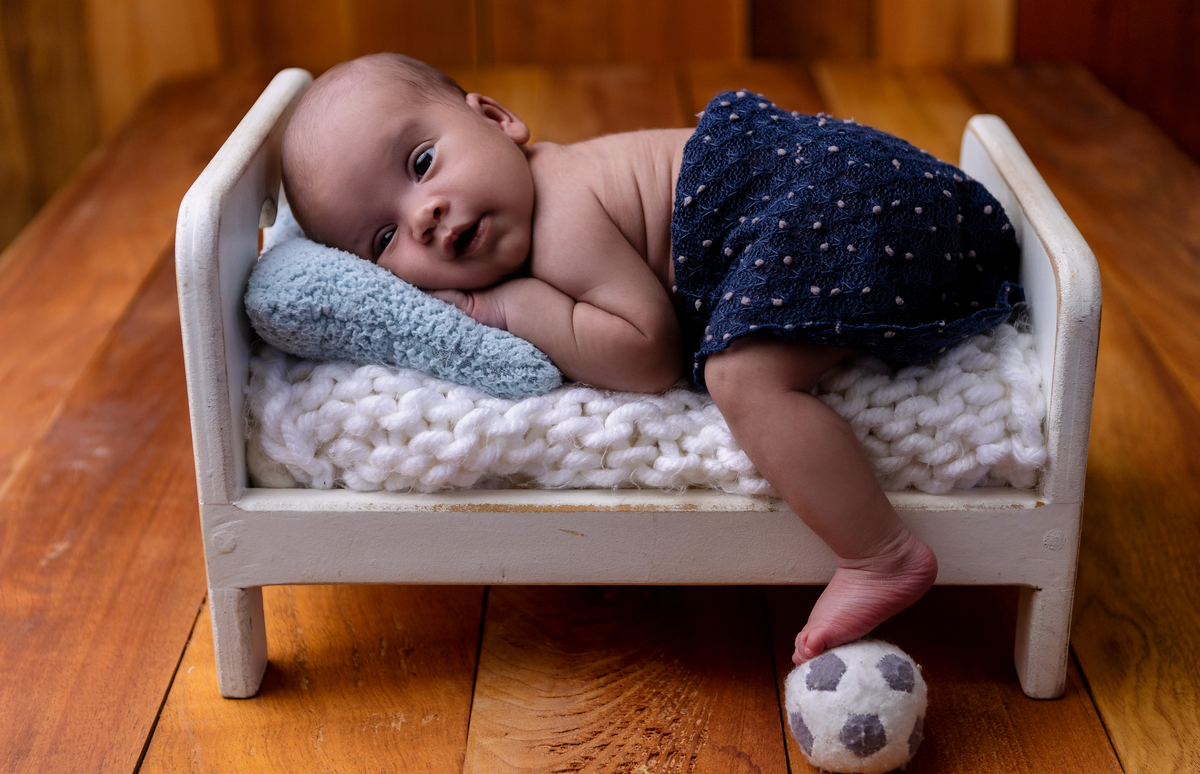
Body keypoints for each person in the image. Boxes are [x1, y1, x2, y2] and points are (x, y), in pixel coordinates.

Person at [281, 53, 1022, 663]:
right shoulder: (548, 193)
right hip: (852, 180)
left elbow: (647, 355)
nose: (424, 215)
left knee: (741, 378)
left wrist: (516, 310)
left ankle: (881, 554)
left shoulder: (562, 207)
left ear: (496, 120)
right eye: (384, 241)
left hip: (835, 199)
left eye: (422, 161)